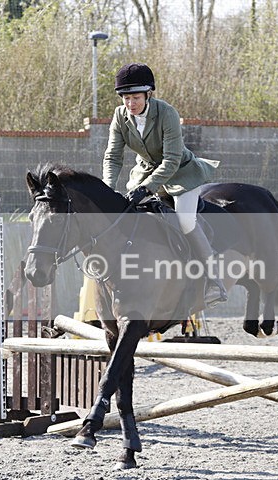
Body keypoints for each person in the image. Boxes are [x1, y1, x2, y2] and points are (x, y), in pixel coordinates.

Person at [101, 63, 227, 307]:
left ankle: (214, 281)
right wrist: (108, 187)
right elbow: (113, 156)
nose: (131, 104)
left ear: (149, 94)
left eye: (136, 97)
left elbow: (171, 160)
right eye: (126, 98)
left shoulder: (167, 113)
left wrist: (147, 188)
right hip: (145, 171)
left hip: (181, 173)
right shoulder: (120, 116)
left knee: (186, 221)